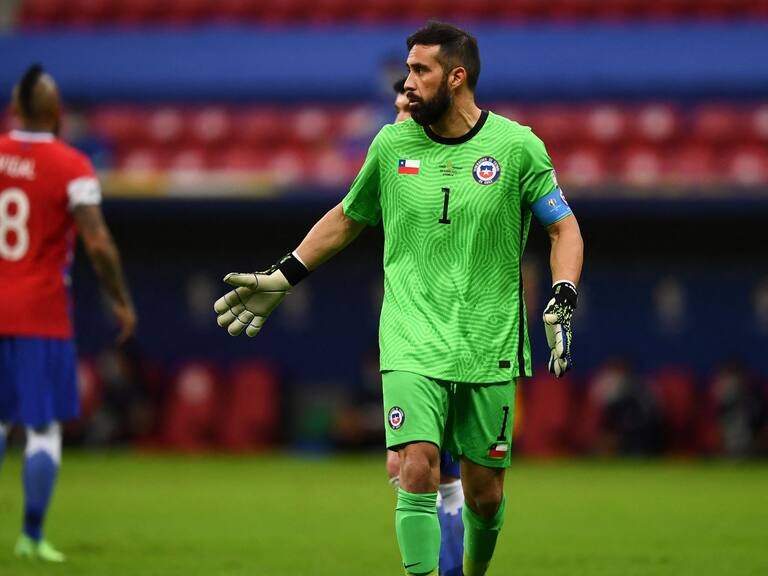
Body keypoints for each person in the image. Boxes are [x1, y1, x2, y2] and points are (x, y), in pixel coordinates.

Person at [215, 21, 583, 576]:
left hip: (489, 341)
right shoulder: (391, 145)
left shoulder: (517, 146)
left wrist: (563, 293)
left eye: (419, 71)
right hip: (410, 336)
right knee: (416, 467)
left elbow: (564, 228)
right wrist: (284, 276)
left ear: (456, 78)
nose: (406, 82)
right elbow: (346, 218)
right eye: (406, 70)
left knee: (485, 494)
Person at [0, 64, 136, 562]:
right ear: (56, 113)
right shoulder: (72, 165)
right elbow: (98, 244)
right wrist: (120, 299)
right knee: (41, 428)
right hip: (39, 313)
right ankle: (31, 536)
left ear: (14, 109)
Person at [389, 75, 464, 576]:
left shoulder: (466, 163)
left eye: (407, 105)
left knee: (462, 479)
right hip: (409, 333)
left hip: (466, 334)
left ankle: (455, 567)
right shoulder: (394, 161)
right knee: (410, 465)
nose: (398, 114)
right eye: (395, 105)